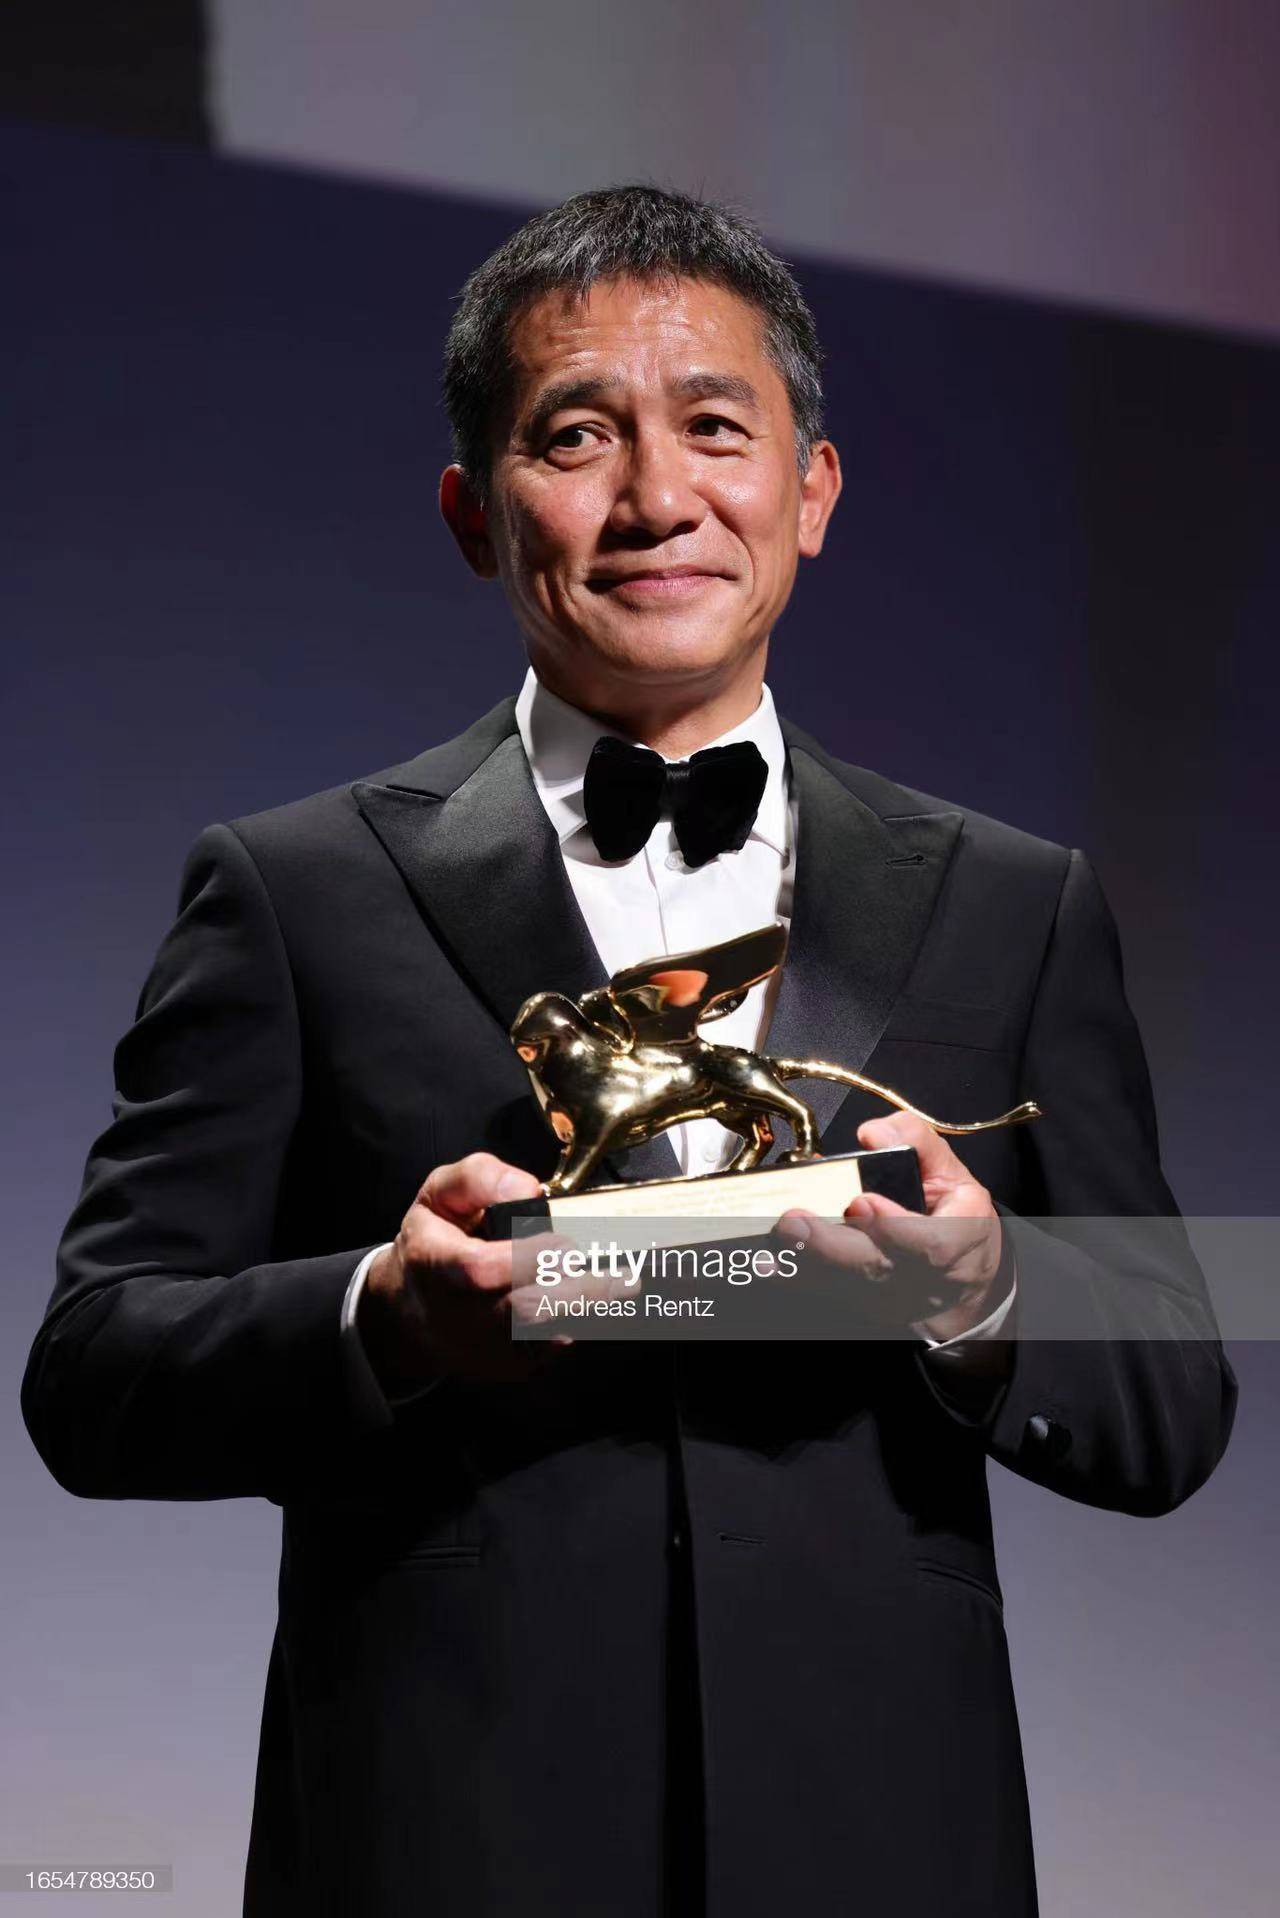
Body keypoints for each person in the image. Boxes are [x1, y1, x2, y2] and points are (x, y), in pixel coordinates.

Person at [22, 185, 1236, 1918]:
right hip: (445, 1850)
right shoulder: (293, 890)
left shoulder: (1017, 902)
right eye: (577, 435)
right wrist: (386, 1311)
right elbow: (92, 1368)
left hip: (887, 1849)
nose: (658, 497)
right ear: (473, 511)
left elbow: (1172, 1392)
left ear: (813, 491)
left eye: (717, 429)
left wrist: (985, 1299)